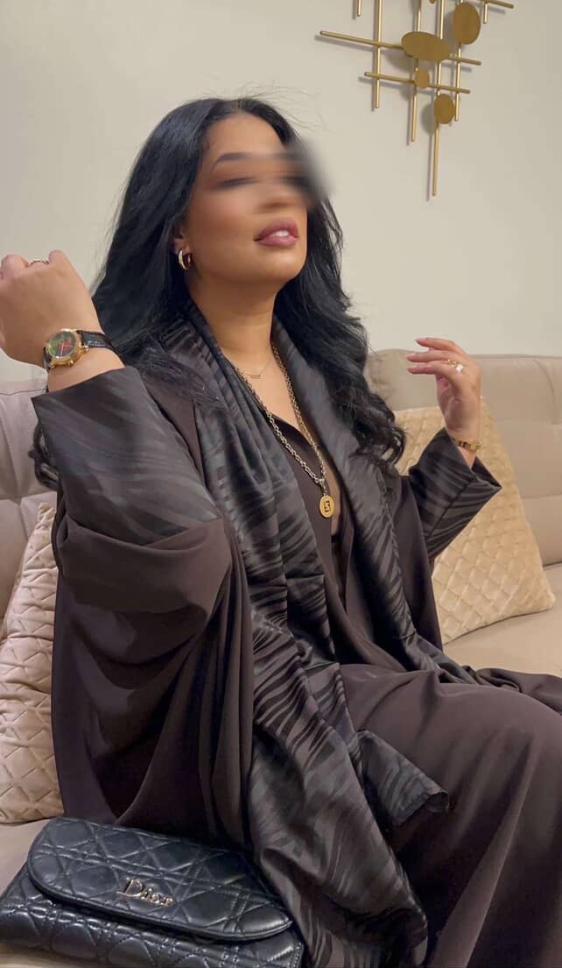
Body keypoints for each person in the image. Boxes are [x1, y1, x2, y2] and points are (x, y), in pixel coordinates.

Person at [1, 97, 560, 968]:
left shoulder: (320, 382)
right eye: (238, 179)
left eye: (288, 178)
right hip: (225, 723)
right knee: (532, 748)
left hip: (343, 678)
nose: (278, 197)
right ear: (177, 230)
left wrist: (459, 441)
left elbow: (381, 565)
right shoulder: (135, 390)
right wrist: (71, 348)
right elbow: (179, 570)